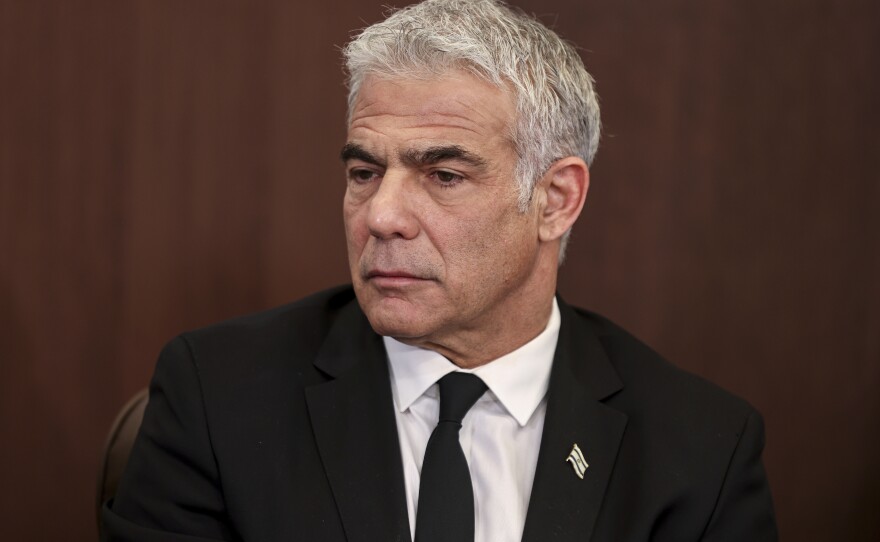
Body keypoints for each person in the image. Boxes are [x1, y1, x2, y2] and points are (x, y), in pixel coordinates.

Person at [102, 0, 777, 540]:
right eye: (365, 172)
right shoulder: (218, 399)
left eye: (444, 174)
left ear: (555, 200)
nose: (382, 216)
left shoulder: (699, 451)